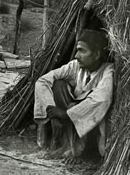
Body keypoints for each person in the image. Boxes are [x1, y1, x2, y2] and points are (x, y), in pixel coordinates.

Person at [33, 29, 114, 162]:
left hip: (91, 129)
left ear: (97, 54)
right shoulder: (75, 67)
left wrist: (66, 114)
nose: (76, 55)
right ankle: (65, 146)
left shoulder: (108, 70)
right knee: (58, 84)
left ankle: (86, 153)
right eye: (77, 50)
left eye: (82, 51)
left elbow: (101, 98)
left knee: (92, 104)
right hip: (70, 121)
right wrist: (52, 112)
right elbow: (43, 81)